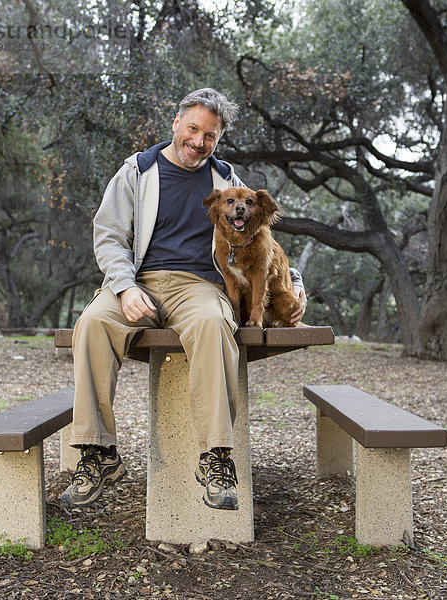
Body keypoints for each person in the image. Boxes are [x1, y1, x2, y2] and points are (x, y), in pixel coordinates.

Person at [60, 88, 307, 512]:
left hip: (199, 286)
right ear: (176, 123)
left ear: (218, 139)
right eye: (193, 129)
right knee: (92, 323)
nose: (198, 142)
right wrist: (123, 286)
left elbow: (262, 243)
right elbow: (109, 236)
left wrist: (296, 283)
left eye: (210, 135)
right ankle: (98, 453)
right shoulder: (137, 172)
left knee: (214, 324)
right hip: (138, 282)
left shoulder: (228, 182)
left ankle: (215, 457)